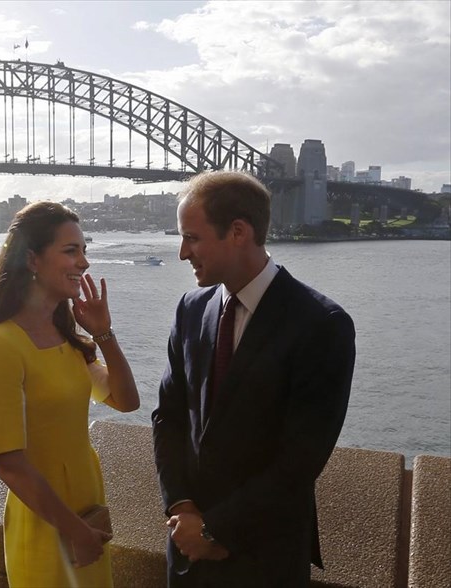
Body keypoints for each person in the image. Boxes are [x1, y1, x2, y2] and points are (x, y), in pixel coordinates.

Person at [152, 170, 356, 587]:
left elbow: (300, 460)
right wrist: (182, 506)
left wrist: (215, 529)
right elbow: (168, 417)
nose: (182, 253)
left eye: (192, 237)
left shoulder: (321, 324)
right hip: (188, 550)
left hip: (262, 556)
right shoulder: (190, 308)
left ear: (239, 231)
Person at [0, 201, 140, 587]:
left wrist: (104, 333)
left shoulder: (67, 337)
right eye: (71, 250)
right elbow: (9, 464)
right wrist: (75, 531)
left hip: (87, 508)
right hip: (48, 521)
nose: (84, 262)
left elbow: (126, 402)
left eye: (84, 250)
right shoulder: (2, 345)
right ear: (32, 260)